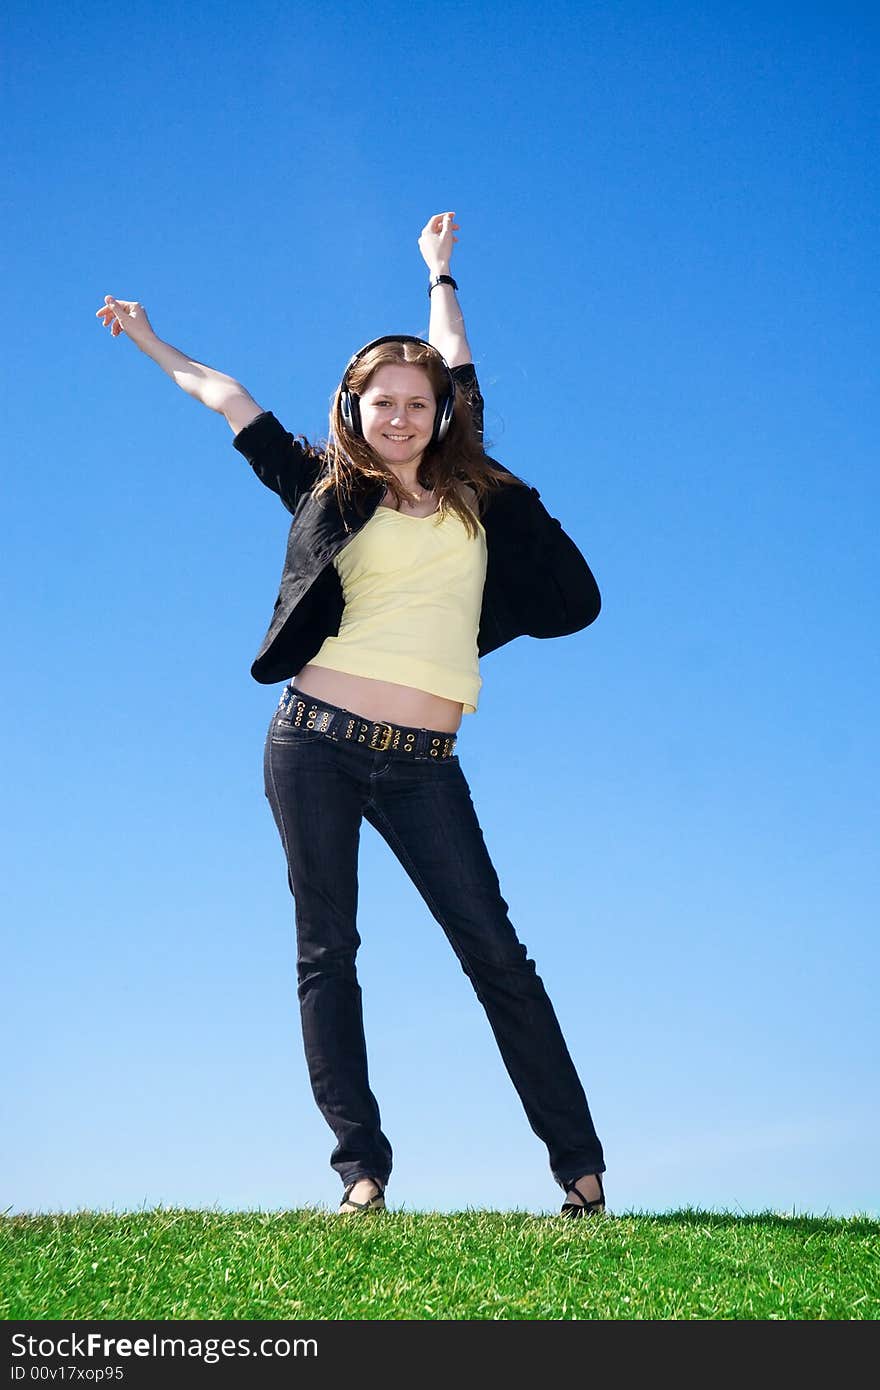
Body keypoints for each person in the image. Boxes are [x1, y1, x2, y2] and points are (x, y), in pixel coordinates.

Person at [95, 211, 606, 1219]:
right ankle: (359, 1173)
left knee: (495, 954)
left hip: (424, 762)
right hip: (313, 746)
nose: (404, 418)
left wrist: (438, 274)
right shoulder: (322, 486)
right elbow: (226, 396)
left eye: (420, 404)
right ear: (354, 407)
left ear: (442, 411)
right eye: (384, 403)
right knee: (327, 950)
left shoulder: (477, 497)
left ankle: (581, 1173)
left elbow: (454, 357)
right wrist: (153, 340)